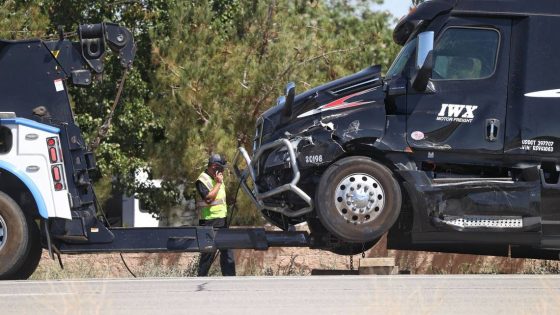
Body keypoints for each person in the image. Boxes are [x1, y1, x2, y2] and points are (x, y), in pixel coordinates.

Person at [196, 153, 236, 276]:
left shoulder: (217, 178)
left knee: (227, 252)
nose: (223, 171)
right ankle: (200, 278)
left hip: (222, 221)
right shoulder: (202, 180)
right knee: (208, 254)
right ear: (214, 166)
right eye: (221, 168)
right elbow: (208, 199)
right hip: (209, 222)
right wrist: (218, 184)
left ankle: (230, 279)